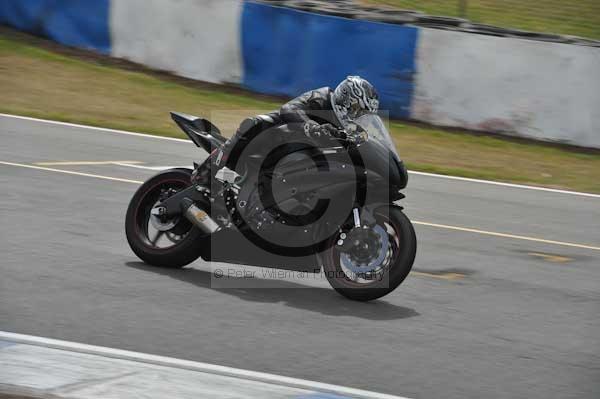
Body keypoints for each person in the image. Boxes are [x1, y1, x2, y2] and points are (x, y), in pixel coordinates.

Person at [192, 76, 379, 184]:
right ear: (345, 99)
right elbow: (288, 109)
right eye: (356, 110)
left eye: (361, 114)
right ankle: (207, 171)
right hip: (277, 137)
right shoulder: (321, 97)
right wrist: (310, 125)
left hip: (300, 159)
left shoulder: (345, 127)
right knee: (256, 123)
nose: (356, 117)